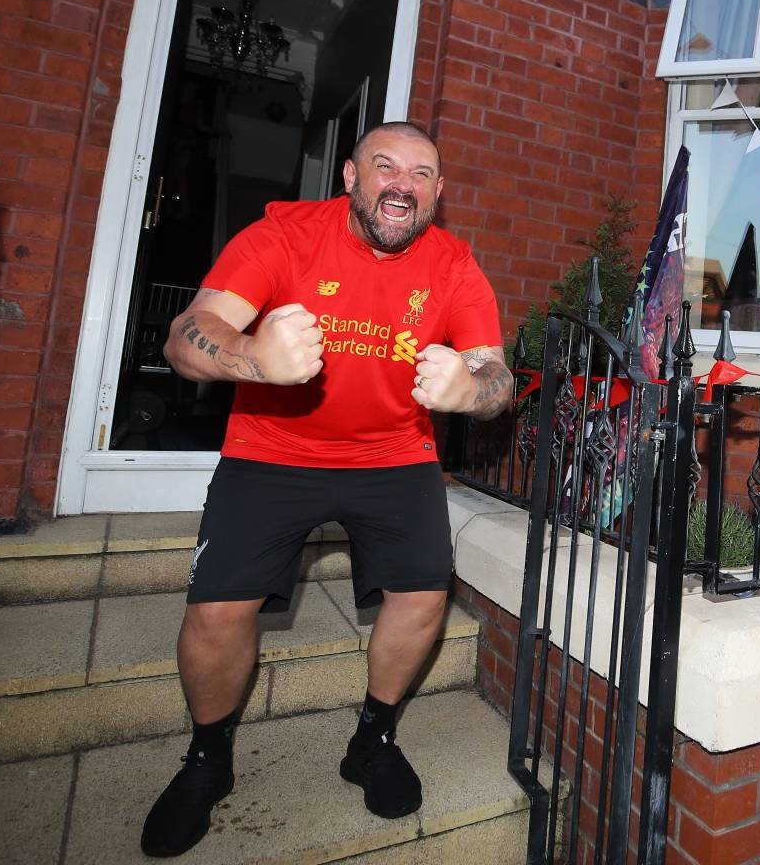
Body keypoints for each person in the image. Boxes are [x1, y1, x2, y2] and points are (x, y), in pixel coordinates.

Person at [139, 122, 512, 858]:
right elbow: (186, 336)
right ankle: (207, 758)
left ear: (437, 193)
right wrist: (250, 355)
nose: (402, 183)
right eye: (385, 166)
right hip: (273, 449)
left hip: (394, 454)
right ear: (349, 176)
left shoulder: (454, 264)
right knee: (218, 611)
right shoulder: (282, 236)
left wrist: (470, 391)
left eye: (422, 173)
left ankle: (372, 739)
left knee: (422, 596)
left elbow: (495, 376)